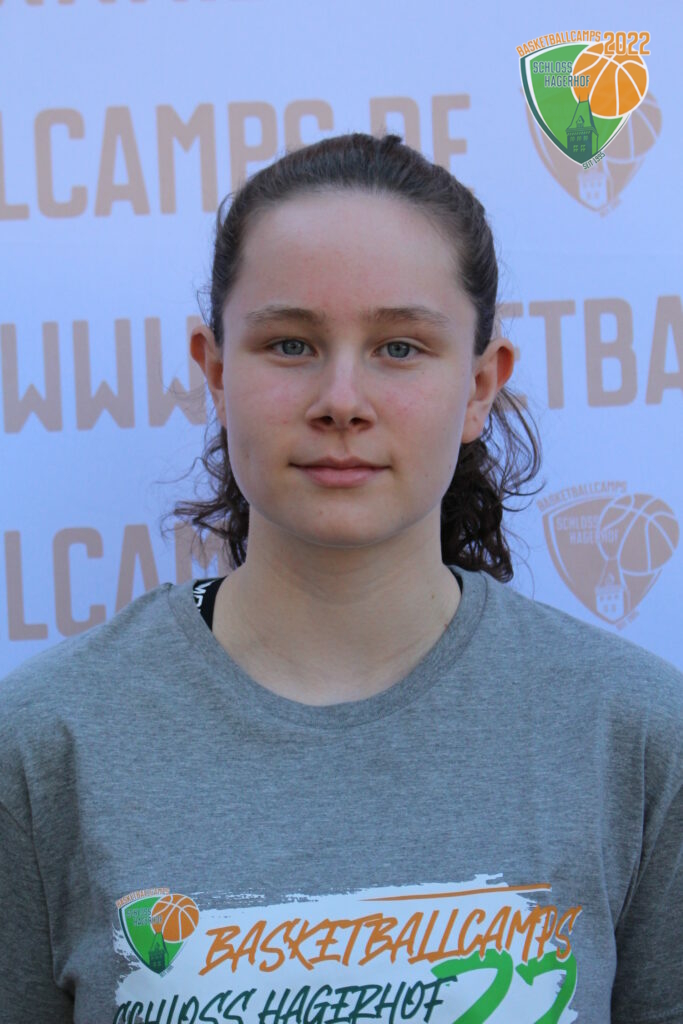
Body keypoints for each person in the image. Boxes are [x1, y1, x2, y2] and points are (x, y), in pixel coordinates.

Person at [0, 132, 681, 1024]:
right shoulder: (46, 742)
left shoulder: (634, 735)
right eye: (290, 344)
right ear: (215, 371)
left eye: (400, 347)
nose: (341, 401)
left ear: (481, 385)